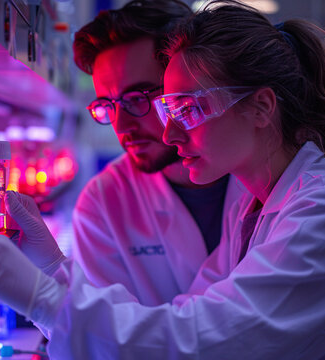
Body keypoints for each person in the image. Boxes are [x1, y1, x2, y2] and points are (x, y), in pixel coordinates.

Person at [0, 1, 325, 358]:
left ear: (261, 107)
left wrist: (40, 295)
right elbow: (190, 315)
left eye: (188, 109)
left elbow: (203, 344)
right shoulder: (256, 206)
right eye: (170, 111)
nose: (168, 132)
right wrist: (52, 269)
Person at [69, 0, 244, 306]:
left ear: (186, 85)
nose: (122, 125)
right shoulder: (103, 203)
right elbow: (110, 337)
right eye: (108, 106)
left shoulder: (267, 177)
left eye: (137, 98)